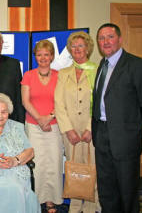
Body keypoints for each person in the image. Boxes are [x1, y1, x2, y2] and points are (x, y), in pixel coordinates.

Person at [92, 23, 142, 213]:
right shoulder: (102, 66)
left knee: (127, 191)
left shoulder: (137, 65)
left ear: (120, 39)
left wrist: (131, 125)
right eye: (101, 38)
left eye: (110, 37)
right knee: (106, 189)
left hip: (125, 138)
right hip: (102, 135)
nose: (105, 42)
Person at [54, 31, 100, 213]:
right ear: (69, 50)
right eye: (74, 46)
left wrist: (90, 128)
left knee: (91, 166)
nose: (77, 49)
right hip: (70, 130)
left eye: (81, 45)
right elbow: (58, 103)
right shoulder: (63, 73)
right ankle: (74, 206)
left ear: (88, 48)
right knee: (74, 168)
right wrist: (68, 129)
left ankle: (90, 206)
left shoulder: (98, 71)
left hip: (92, 129)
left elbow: (100, 102)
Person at [21, 40, 62, 213]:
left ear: (52, 56)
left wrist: (49, 117)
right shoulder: (28, 75)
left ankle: (51, 200)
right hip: (33, 126)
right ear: (35, 56)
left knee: (54, 163)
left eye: (46, 54)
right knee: (36, 164)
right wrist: (39, 119)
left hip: (54, 126)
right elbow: (25, 101)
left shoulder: (60, 76)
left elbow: (62, 101)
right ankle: (35, 200)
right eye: (39, 54)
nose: (43, 58)